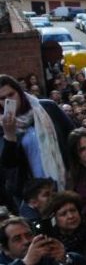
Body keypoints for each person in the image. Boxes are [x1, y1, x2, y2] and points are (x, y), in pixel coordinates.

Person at [0, 74, 71, 202]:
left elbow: (71, 136)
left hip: (64, 181)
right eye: (2, 98)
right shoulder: (2, 125)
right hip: (32, 194)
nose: (8, 101)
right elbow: (8, 164)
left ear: (19, 92)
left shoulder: (47, 108)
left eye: (11, 95)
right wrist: (9, 135)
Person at [44, 190, 86, 264]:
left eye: (73, 210)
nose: (71, 216)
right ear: (54, 219)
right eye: (63, 214)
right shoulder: (50, 241)